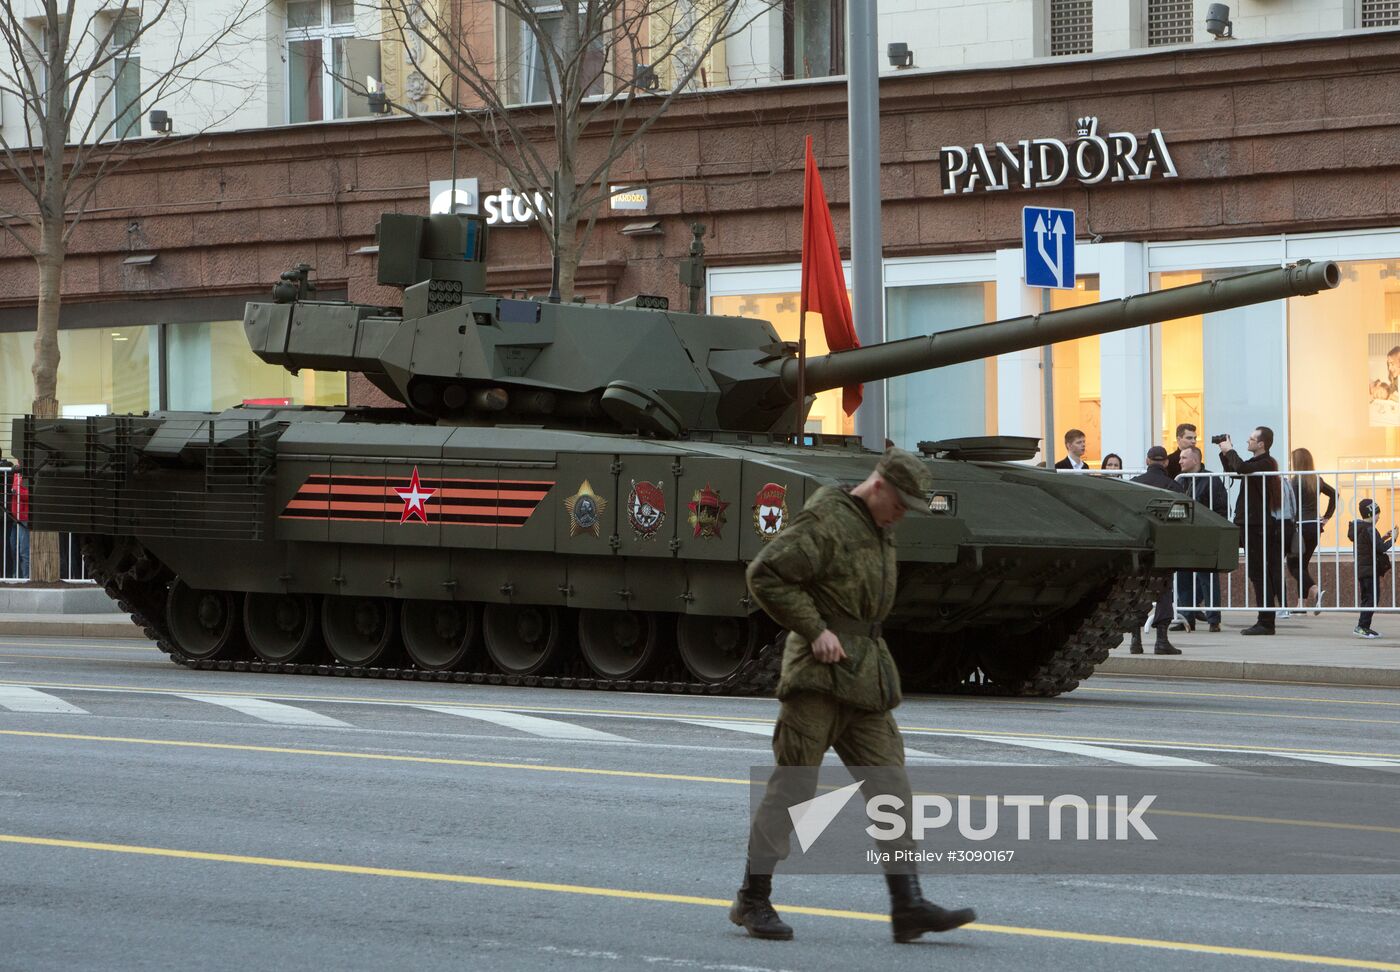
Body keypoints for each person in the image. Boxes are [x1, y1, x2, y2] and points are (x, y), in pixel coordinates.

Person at [732, 448, 976, 944]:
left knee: (892, 791)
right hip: (818, 679)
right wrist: (815, 629)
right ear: (879, 485)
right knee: (794, 789)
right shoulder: (828, 518)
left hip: (865, 678)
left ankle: (907, 905)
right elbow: (766, 574)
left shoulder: (879, 524)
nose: (903, 515)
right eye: (901, 504)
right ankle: (753, 898)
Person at [1218, 427, 1282, 635]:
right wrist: (1224, 452)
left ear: (1261, 443)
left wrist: (1230, 452)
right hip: (1248, 522)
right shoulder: (1255, 463)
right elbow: (1235, 470)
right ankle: (1265, 620)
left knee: (1259, 573)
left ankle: (1266, 621)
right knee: (1257, 573)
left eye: (1252, 439)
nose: (1248, 441)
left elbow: (1242, 468)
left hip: (1257, 524)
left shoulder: (1267, 463)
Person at [1128, 446, 1185, 655]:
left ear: (1147, 460)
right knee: (1163, 590)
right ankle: (1161, 640)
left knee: (1135, 590)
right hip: (1164, 547)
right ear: (1167, 463)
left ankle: (1135, 639)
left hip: (1139, 547)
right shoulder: (1174, 486)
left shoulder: (1133, 484)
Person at [1173, 446, 1226, 633]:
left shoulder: (1210, 480)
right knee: (1183, 578)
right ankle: (1186, 618)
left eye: (1183, 458)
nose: (1180, 461)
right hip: (1185, 536)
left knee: (1208, 578)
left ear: (1195, 460)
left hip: (1205, 535)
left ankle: (1213, 620)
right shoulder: (1181, 480)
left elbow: (1220, 507)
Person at [1286, 447, 1335, 614]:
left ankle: (1315, 591)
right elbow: (1334, 494)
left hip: (1300, 527)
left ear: (1297, 462)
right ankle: (1301, 605)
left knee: (1293, 564)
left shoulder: (1295, 481)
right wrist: (1327, 516)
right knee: (1302, 565)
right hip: (1315, 527)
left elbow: (1291, 506)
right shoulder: (1316, 480)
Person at [1347, 498, 1393, 639]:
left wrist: (1384, 536)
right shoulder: (1369, 529)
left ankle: (1365, 626)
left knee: (1369, 598)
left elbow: (1372, 545)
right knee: (1371, 598)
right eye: (1377, 513)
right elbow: (1380, 548)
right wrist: (1394, 539)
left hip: (1364, 570)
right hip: (1369, 570)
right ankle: (1361, 626)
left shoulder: (1361, 528)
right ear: (1370, 514)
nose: (1379, 516)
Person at [7, 457, 29, 581]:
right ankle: (17, 576)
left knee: (24, 550)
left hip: (25, 517)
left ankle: (26, 578)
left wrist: (17, 492)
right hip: (15, 517)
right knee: (14, 548)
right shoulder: (17, 472)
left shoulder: (29, 471)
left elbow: (30, 493)